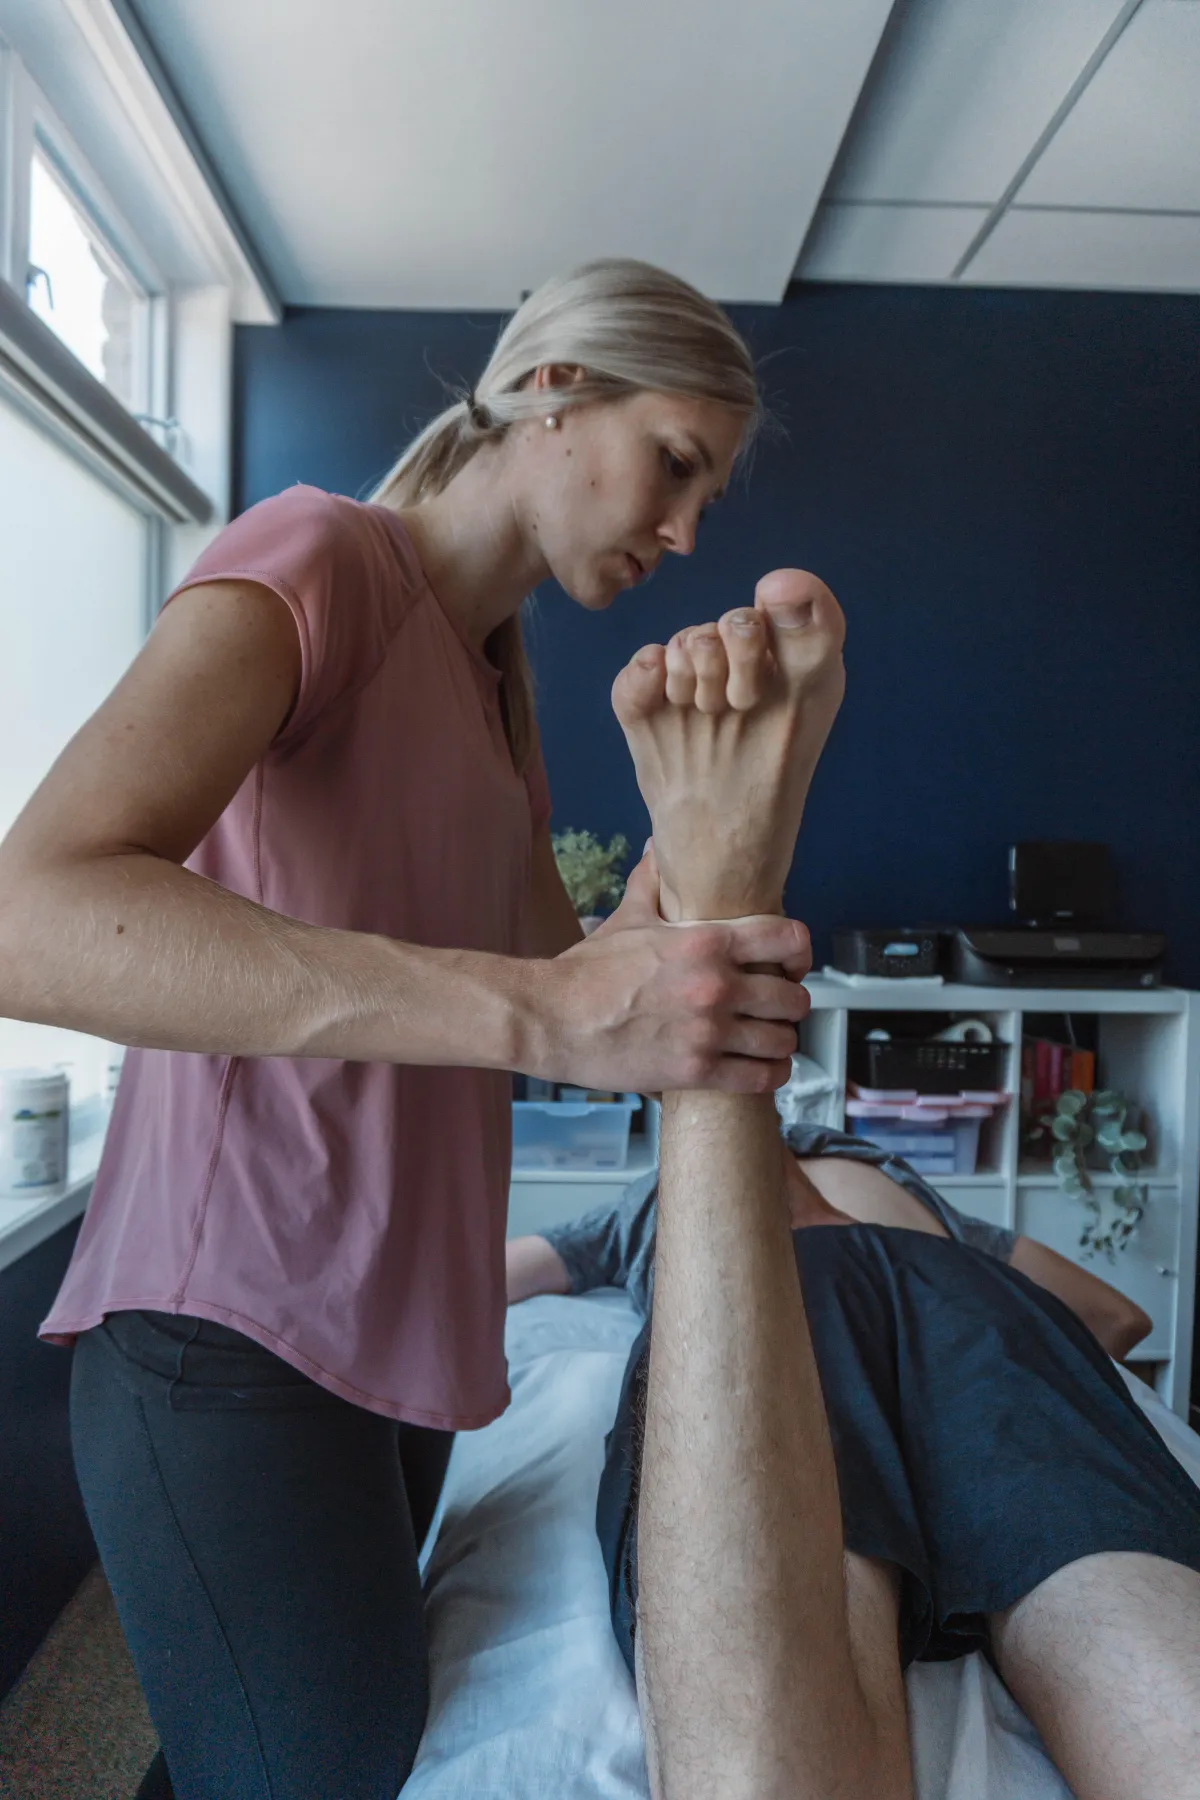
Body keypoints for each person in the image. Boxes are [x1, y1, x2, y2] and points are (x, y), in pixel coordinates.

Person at [0, 260, 813, 1800]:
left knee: (287, 1748)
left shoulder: (499, 691)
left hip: (403, 1333)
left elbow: (564, 982)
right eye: (675, 464)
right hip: (231, 1322)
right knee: (319, 1768)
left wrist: (701, 855)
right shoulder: (319, 560)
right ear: (553, 391)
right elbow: (27, 915)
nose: (687, 531)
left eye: (707, 493)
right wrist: (548, 1008)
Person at [570, 570, 1200, 1799]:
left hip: (939, 1295)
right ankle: (725, 966)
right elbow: (483, 1289)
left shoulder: (882, 1166)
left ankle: (713, 975)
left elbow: (1117, 1319)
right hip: (832, 1294)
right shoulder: (637, 1220)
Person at [507, 1123, 1155, 1363]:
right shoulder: (904, 1195)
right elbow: (1119, 1319)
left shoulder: (642, 1205)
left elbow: (493, 1279)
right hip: (935, 1328)